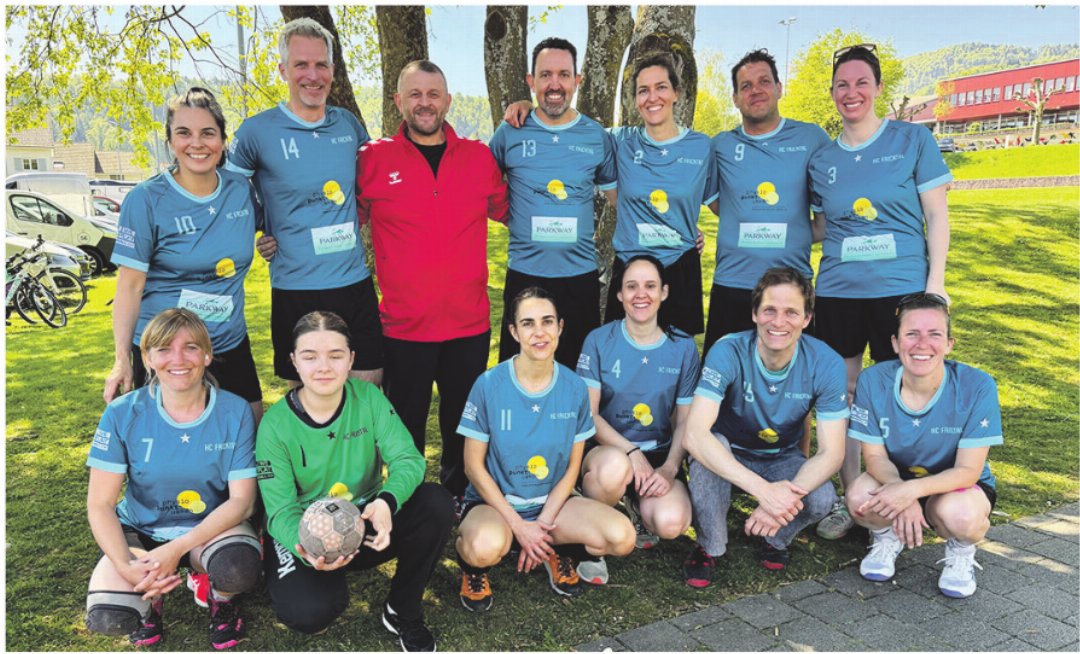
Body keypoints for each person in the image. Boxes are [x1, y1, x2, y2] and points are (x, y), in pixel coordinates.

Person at [808, 43, 953, 541]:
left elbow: (937, 215)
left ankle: (906, 494)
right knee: (843, 394)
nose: (851, 93)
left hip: (902, 291)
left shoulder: (913, 139)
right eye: (842, 84)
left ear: (878, 87)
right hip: (838, 292)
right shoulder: (822, 159)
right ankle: (854, 500)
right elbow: (820, 226)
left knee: (903, 391)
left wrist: (935, 286)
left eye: (861, 83)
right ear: (832, 92)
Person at [353, 60, 509, 506]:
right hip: (404, 327)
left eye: (433, 94)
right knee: (404, 429)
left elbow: (516, 211)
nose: (425, 103)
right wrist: (274, 237)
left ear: (447, 101)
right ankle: (410, 505)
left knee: (464, 425)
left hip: (468, 324)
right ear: (398, 101)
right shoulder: (372, 160)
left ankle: (460, 497)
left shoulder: (478, 157)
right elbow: (337, 219)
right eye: (415, 94)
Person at [257, 311, 454, 652]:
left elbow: (408, 460)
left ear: (351, 359)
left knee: (436, 502)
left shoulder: (369, 398)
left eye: (335, 355)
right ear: (294, 361)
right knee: (309, 615)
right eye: (310, 356)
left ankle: (402, 611)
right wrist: (308, 549)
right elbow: (280, 510)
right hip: (308, 533)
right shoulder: (274, 425)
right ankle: (301, 574)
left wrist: (386, 502)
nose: (323, 367)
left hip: (366, 520)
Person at [86, 309, 261, 650]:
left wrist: (176, 549)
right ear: (148, 358)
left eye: (191, 347)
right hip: (141, 530)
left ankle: (220, 598)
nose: (178, 359)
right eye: (164, 349)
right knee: (109, 615)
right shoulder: (122, 412)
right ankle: (151, 599)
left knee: (237, 568)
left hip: (209, 530)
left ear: (207, 355)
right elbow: (100, 504)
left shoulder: (235, 410)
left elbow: (243, 501)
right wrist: (126, 565)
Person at [455, 287, 635, 613]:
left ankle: (553, 548)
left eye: (547, 321)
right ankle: (473, 570)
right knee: (483, 547)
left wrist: (541, 526)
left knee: (622, 537)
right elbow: (473, 467)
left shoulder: (574, 387)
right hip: (495, 506)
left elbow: (572, 468)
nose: (539, 332)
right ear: (514, 332)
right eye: (528, 323)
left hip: (552, 506)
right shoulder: (489, 385)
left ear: (560, 327)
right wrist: (520, 527)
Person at [227, 18, 383, 390]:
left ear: (332, 70)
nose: (312, 75)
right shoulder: (256, 131)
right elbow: (229, 191)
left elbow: (374, 182)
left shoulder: (348, 125)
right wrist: (260, 227)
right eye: (301, 65)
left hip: (354, 282)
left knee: (369, 390)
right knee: (310, 401)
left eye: (320, 65)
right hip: (296, 288)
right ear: (284, 70)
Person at [681, 268, 849, 587]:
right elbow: (694, 435)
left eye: (791, 312)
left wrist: (780, 500)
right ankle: (709, 546)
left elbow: (832, 454)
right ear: (755, 314)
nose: (778, 321)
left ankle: (774, 537)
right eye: (769, 309)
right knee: (707, 453)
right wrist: (764, 492)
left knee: (822, 499)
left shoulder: (827, 362)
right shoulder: (728, 350)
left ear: (807, 318)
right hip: (728, 449)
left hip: (779, 455)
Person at [104, 88, 264, 422]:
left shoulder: (240, 190)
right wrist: (121, 360)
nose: (197, 143)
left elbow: (269, 226)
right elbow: (129, 288)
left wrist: (271, 240)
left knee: (248, 430)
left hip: (228, 342)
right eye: (184, 133)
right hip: (167, 351)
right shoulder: (145, 200)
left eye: (208, 133)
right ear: (170, 142)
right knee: (174, 444)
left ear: (223, 140)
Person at [845, 293, 1001, 598]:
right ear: (895, 342)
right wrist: (901, 493)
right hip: (895, 476)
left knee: (962, 516)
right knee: (858, 497)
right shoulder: (873, 380)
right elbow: (874, 457)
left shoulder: (978, 385)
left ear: (949, 344)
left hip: (957, 486)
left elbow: (968, 471)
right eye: (912, 334)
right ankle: (886, 536)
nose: (922, 344)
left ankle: (961, 551)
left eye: (935, 334)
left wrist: (909, 493)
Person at [488, 37, 618, 370]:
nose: (555, 84)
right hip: (525, 278)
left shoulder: (596, 136)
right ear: (532, 82)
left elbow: (621, 201)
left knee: (579, 380)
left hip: (580, 281)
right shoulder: (511, 131)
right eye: (545, 75)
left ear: (577, 80)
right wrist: (510, 216)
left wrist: (678, 230)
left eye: (564, 75)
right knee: (520, 377)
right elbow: (479, 189)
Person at [574, 255, 699, 584]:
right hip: (608, 451)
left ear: (664, 292)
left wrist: (669, 468)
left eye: (650, 286)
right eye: (631, 286)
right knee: (614, 469)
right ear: (619, 294)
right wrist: (630, 452)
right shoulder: (598, 340)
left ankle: (636, 503)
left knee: (671, 523)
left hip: (658, 454)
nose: (640, 294)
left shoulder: (684, 347)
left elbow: (685, 421)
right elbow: (588, 415)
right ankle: (593, 543)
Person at [705, 49, 831, 354]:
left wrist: (793, 232)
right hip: (732, 284)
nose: (756, 90)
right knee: (722, 375)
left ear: (779, 88)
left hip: (792, 288)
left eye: (764, 81)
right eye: (746, 86)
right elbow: (719, 205)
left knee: (792, 378)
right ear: (735, 99)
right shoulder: (720, 146)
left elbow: (828, 212)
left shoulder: (812, 139)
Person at [603, 52, 719, 337]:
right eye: (643, 90)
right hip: (629, 268)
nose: (652, 97)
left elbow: (722, 207)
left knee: (678, 357)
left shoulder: (702, 147)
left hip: (680, 270)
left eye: (661, 87)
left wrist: (686, 225)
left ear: (676, 93)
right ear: (635, 100)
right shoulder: (619, 141)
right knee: (621, 356)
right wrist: (527, 106)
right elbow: (572, 128)